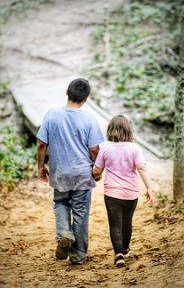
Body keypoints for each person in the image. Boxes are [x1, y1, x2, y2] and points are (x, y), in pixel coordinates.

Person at [37, 78, 104, 265]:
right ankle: (77, 255)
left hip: (60, 173)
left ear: (67, 92)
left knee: (60, 203)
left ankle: (64, 233)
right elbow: (94, 150)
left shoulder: (52, 114)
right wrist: (97, 169)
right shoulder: (89, 119)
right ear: (86, 99)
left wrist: (41, 166)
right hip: (82, 174)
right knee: (81, 211)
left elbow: (42, 143)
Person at [93, 115, 153, 267]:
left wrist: (96, 176)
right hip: (131, 193)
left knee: (115, 224)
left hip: (112, 193)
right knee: (127, 222)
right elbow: (141, 167)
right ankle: (125, 249)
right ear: (128, 130)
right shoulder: (135, 148)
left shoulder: (105, 148)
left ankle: (118, 254)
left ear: (110, 130)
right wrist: (148, 187)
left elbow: (97, 171)